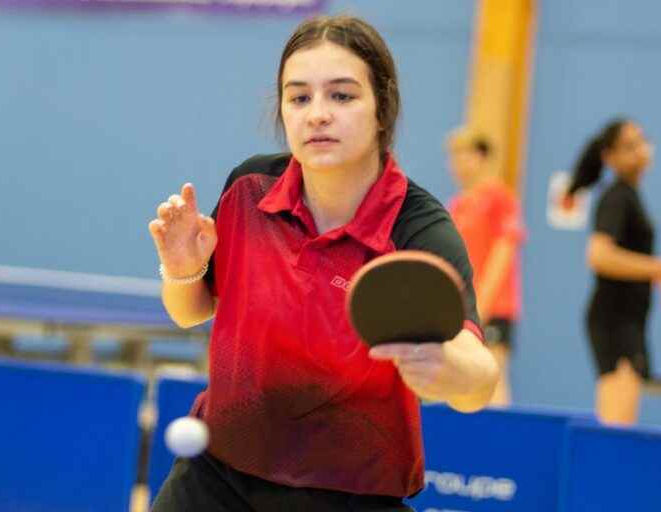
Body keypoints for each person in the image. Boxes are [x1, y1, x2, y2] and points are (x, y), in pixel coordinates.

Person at [147, 15, 499, 512]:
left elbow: (480, 382)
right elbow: (191, 310)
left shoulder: (417, 229)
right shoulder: (249, 189)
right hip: (218, 473)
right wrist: (182, 267)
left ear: (381, 109)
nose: (317, 114)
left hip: (347, 492)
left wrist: (445, 366)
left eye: (342, 95)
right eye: (299, 97)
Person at [565, 118, 661, 425]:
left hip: (630, 319)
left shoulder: (631, 196)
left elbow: (630, 256)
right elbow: (599, 256)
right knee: (615, 426)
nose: (640, 150)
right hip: (614, 320)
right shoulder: (616, 197)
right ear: (610, 157)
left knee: (623, 421)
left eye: (641, 141)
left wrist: (657, 275)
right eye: (629, 146)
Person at [447, 130, 525, 406]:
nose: (455, 163)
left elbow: (504, 251)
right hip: (464, 309)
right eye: (452, 156)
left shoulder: (499, 197)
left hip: (493, 308)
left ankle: (502, 446)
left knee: (493, 378)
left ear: (481, 157)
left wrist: (481, 307)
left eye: (463, 154)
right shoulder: (457, 205)